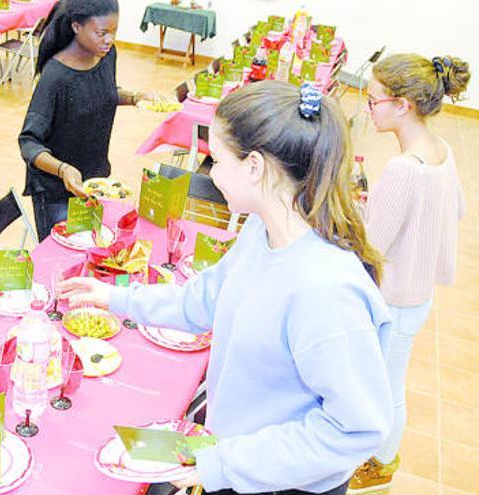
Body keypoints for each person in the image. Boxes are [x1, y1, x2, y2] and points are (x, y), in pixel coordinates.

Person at [60, 81, 394, 494]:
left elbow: (355, 429)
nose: (211, 174)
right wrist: (115, 298)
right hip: (238, 458)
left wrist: (224, 465)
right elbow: (205, 299)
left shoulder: (324, 289)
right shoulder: (262, 229)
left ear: (254, 167)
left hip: (279, 481)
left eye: (215, 160)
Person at [348, 54, 470, 493]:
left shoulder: (404, 169)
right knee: (389, 379)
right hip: (417, 293)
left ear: (403, 105)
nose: (369, 108)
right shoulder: (442, 150)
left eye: (374, 100)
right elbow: (455, 206)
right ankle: (379, 455)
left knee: (386, 386)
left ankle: (381, 463)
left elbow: (371, 246)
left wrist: (356, 217)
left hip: (397, 298)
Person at [18, 0, 145, 240]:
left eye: (114, 32)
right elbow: (28, 142)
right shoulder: (55, 76)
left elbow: (102, 92)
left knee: (92, 249)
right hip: (57, 190)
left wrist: (136, 97)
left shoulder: (107, 55)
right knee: (65, 257)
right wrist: (63, 170)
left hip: (95, 182)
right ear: (77, 27)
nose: (109, 40)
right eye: (102, 33)